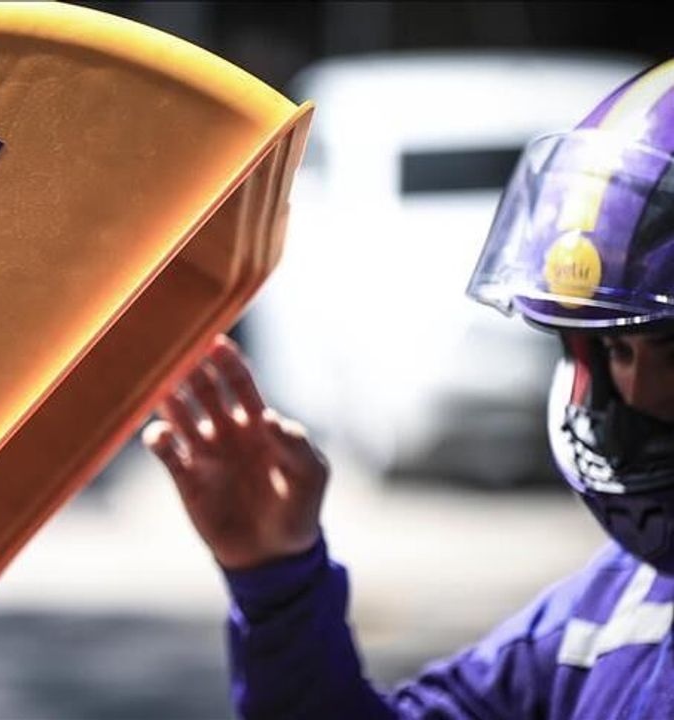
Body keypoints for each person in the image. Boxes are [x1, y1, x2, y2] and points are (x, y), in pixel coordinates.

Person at [143, 59, 674, 719]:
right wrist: (277, 580)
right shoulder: (612, 614)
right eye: (619, 350)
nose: (640, 393)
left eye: (673, 350)